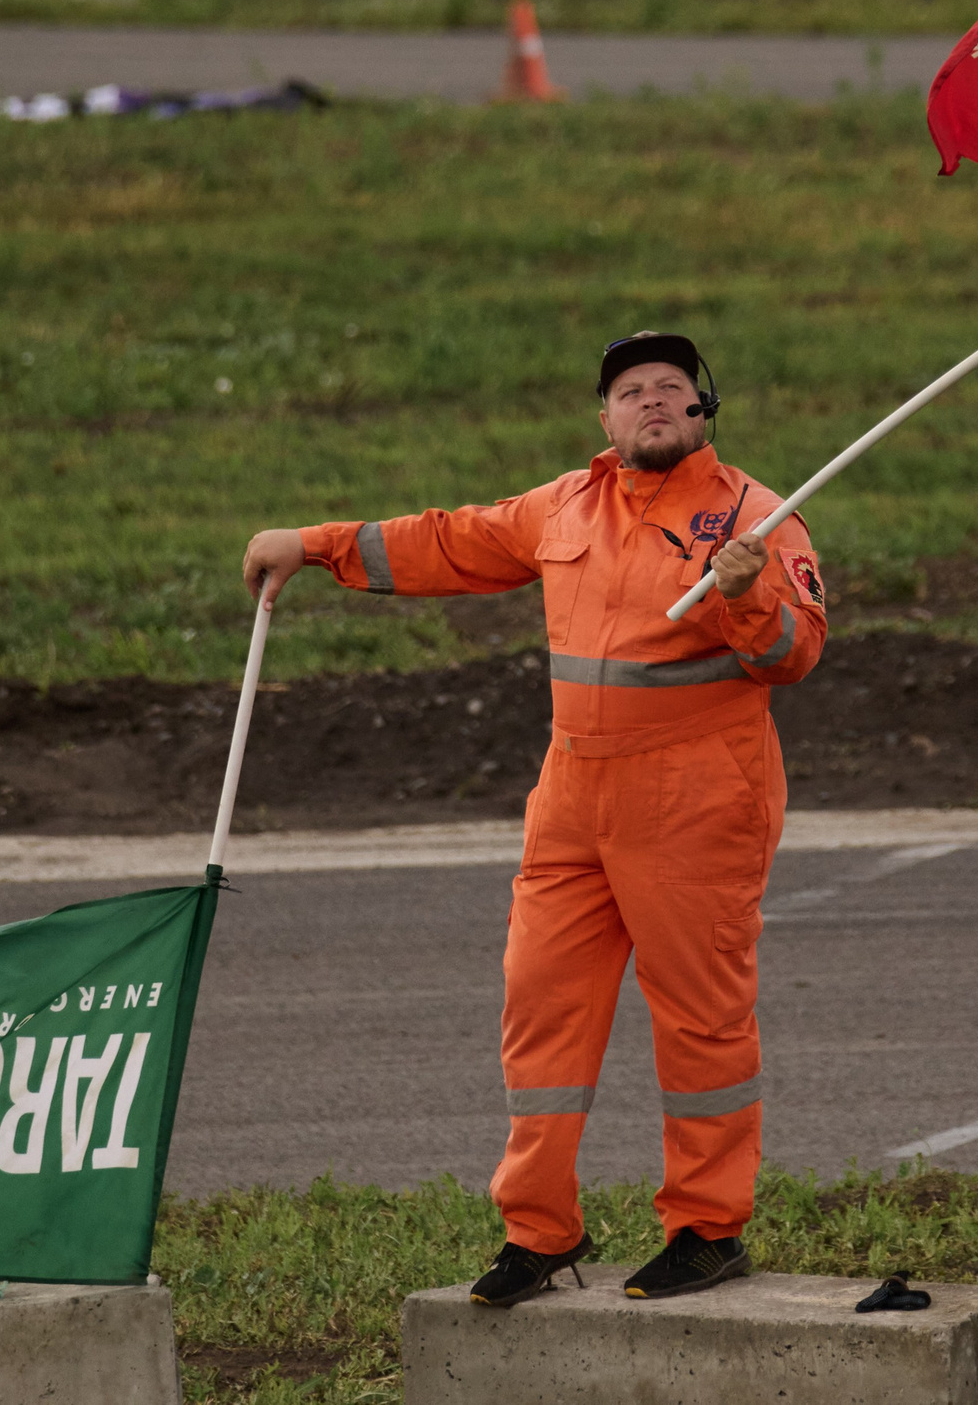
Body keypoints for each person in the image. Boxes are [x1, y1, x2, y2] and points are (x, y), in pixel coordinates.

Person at [243, 332, 827, 1305]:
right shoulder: (563, 503)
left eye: (670, 388)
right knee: (539, 1008)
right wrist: (313, 545)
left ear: (702, 408)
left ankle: (708, 1227)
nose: (650, 400)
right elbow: (446, 540)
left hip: (697, 795)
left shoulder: (756, 521)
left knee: (699, 1019)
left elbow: (793, 653)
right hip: (571, 796)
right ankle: (539, 1231)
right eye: (629, 389)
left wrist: (743, 591)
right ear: (602, 416)